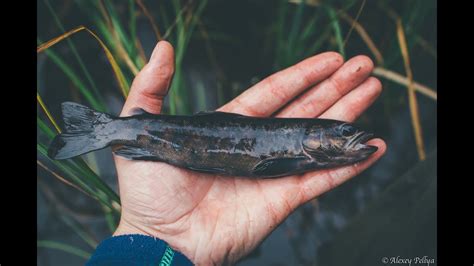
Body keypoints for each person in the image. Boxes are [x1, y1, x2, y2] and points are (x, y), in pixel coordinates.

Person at [86, 41, 386, 265]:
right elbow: (268, 167)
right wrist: (156, 233)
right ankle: (102, 129)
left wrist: (151, 241)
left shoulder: (304, 153)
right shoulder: (298, 154)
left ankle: (104, 129)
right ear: (314, 137)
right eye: (345, 133)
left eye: (347, 133)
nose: (351, 137)